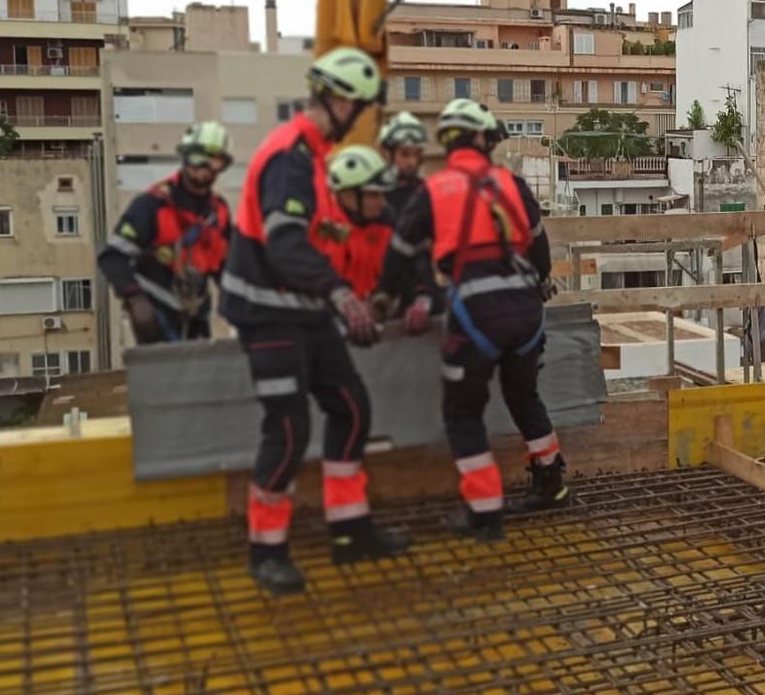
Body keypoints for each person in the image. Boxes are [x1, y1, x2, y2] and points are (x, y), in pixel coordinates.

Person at [221, 46, 411, 595]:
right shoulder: (291, 157)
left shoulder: (314, 155)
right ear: (340, 100)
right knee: (287, 427)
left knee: (350, 406)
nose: (361, 118)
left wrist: (355, 292)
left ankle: (350, 533)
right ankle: (266, 551)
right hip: (266, 311)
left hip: (302, 309)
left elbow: (324, 241)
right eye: (360, 107)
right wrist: (342, 296)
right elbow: (285, 246)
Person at [380, 98, 571, 543]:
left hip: (476, 312)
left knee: (463, 411)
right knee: (524, 397)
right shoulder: (513, 186)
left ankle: (484, 510)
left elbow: (400, 254)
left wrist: (390, 296)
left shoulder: (434, 190)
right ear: (484, 139)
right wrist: (541, 282)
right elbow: (539, 248)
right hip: (526, 311)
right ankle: (552, 484)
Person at [99, 121, 233, 343]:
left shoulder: (218, 212)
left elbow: (227, 265)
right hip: (155, 312)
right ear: (185, 158)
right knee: (165, 374)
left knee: (204, 372)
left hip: (196, 312)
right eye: (197, 158)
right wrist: (134, 297)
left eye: (213, 161)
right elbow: (112, 257)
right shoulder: (153, 205)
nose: (203, 168)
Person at [324, 146, 434, 334]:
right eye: (373, 194)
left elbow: (411, 265)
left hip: (377, 327)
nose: (382, 202)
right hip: (333, 329)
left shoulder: (385, 220)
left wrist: (422, 298)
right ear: (347, 194)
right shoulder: (323, 228)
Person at [378, 110, 429, 215]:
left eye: (415, 155)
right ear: (387, 153)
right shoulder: (376, 194)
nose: (412, 162)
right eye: (404, 154)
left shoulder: (426, 192)